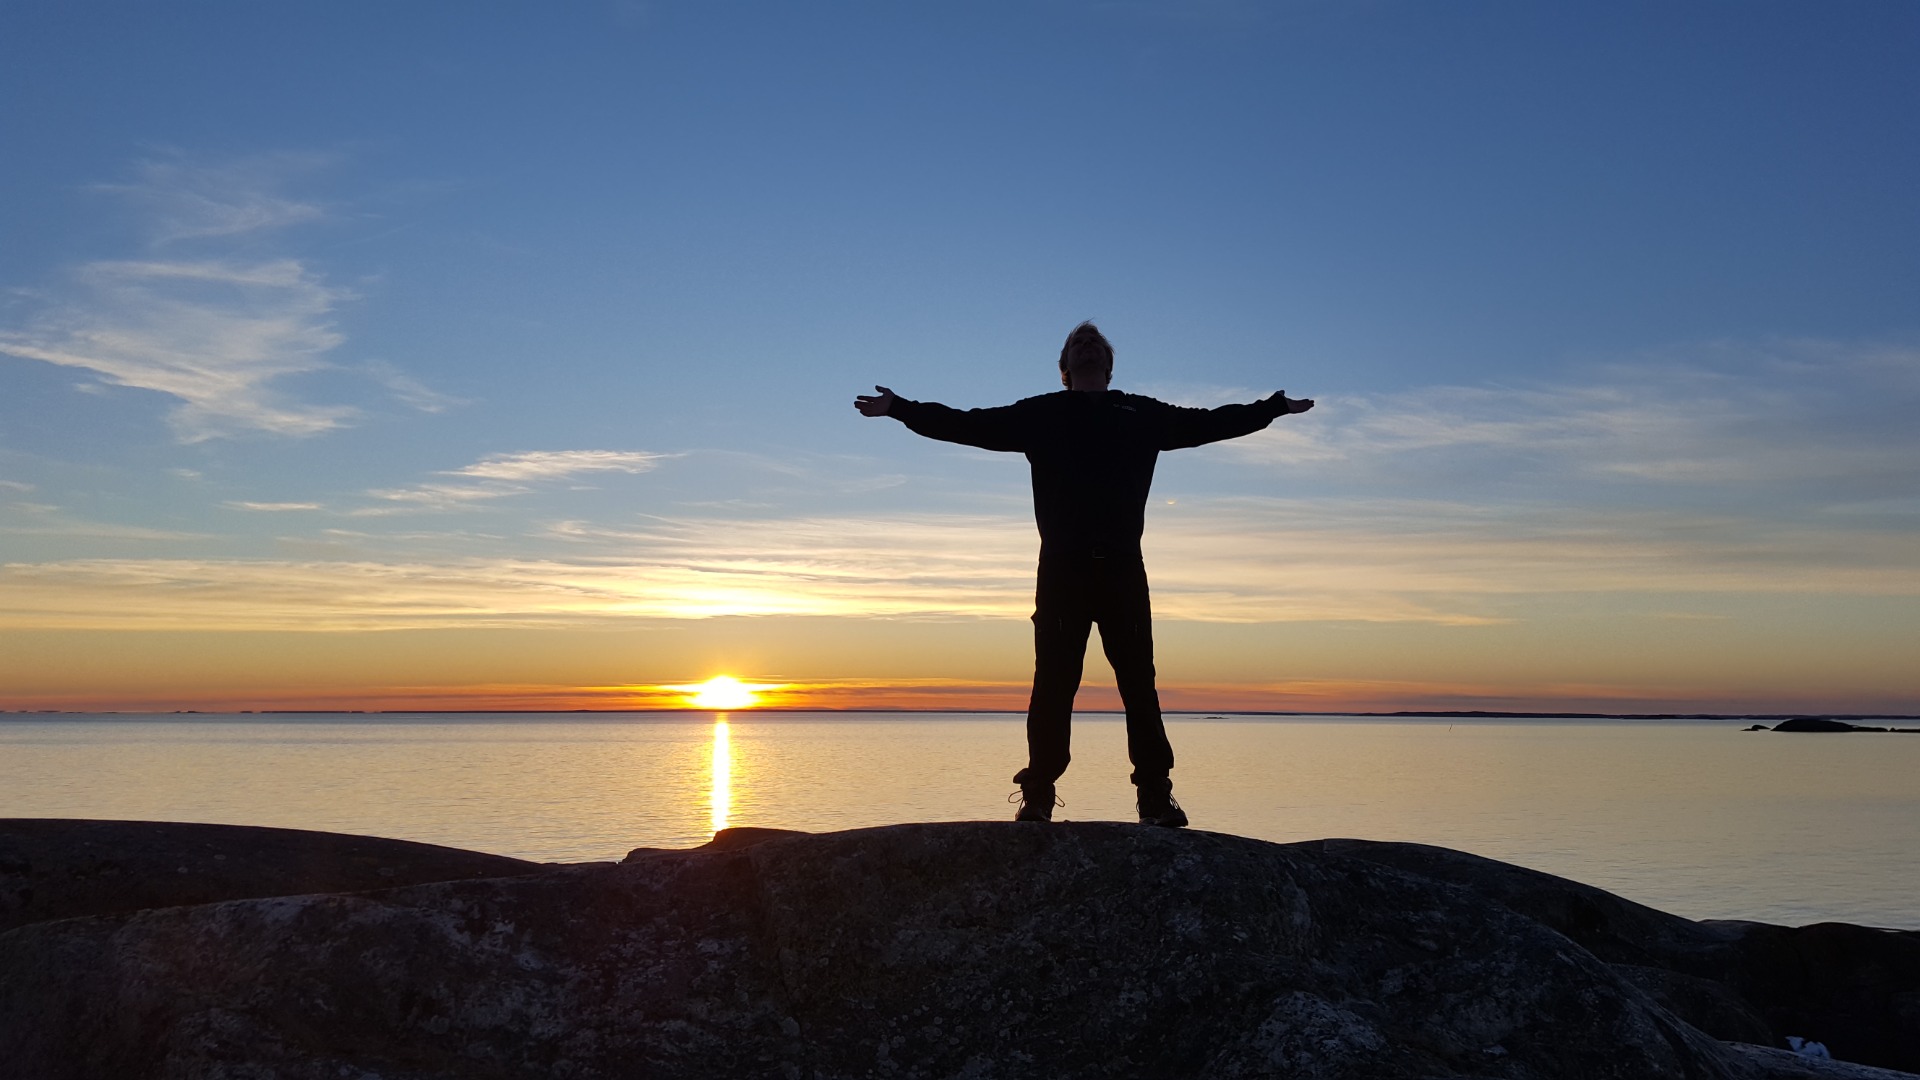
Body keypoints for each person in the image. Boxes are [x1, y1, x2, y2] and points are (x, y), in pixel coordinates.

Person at [855, 322, 1314, 827]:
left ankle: (1155, 797)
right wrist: (900, 408)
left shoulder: (1142, 413)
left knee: (1139, 683)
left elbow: (1211, 423)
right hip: (1062, 572)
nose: (1088, 345)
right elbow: (967, 424)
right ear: (1065, 366)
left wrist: (1271, 408)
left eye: (1096, 342)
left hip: (1122, 569)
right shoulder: (1041, 414)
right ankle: (1038, 794)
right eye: (1078, 342)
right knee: (1054, 683)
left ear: (1109, 364)